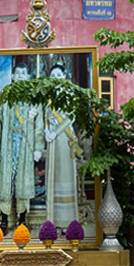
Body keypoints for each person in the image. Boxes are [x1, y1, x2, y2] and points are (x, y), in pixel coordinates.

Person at [0, 62, 43, 224]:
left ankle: (22, 220)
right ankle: (3, 220)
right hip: (7, 145)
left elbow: (39, 125)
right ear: (13, 77)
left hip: (25, 146)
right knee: (5, 182)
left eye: (24, 73)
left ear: (28, 76)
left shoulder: (34, 97)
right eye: (18, 73)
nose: (21, 76)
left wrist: (38, 148)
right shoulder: (4, 95)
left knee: (23, 181)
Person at [41, 64, 85, 229]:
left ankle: (68, 221)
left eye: (59, 75)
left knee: (65, 175)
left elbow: (71, 117)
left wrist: (55, 132)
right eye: (53, 75)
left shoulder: (69, 94)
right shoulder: (48, 96)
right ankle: (53, 220)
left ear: (64, 76)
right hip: (52, 140)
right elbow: (46, 116)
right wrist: (46, 131)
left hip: (64, 139)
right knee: (53, 176)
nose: (56, 78)